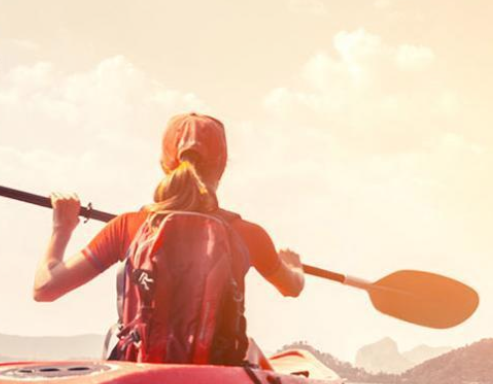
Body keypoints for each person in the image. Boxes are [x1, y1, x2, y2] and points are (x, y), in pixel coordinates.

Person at [33, 113, 304, 365]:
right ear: (221, 166)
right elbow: (291, 287)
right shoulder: (248, 234)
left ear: (165, 163)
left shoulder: (128, 226)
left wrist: (62, 228)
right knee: (250, 347)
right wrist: (294, 266)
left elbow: (45, 289)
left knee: (111, 335)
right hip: (217, 375)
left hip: (140, 370)